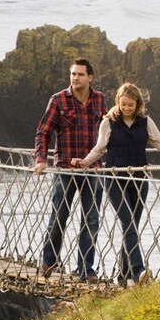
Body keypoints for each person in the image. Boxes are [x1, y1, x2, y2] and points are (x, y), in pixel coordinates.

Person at [72, 82, 160, 287]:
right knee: (128, 223)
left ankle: (123, 278)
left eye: (130, 105)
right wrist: (84, 162)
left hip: (140, 180)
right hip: (116, 179)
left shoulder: (146, 122)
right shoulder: (108, 123)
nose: (126, 108)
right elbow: (99, 149)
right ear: (118, 102)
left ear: (138, 104)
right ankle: (138, 270)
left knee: (131, 227)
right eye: (123, 104)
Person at [34, 58, 106, 283]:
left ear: (90, 77)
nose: (75, 78)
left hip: (93, 170)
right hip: (65, 169)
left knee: (91, 220)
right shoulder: (58, 100)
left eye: (80, 74)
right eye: (73, 74)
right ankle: (49, 260)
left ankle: (86, 270)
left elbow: (106, 134)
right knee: (59, 217)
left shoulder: (100, 99)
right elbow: (42, 133)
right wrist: (41, 159)